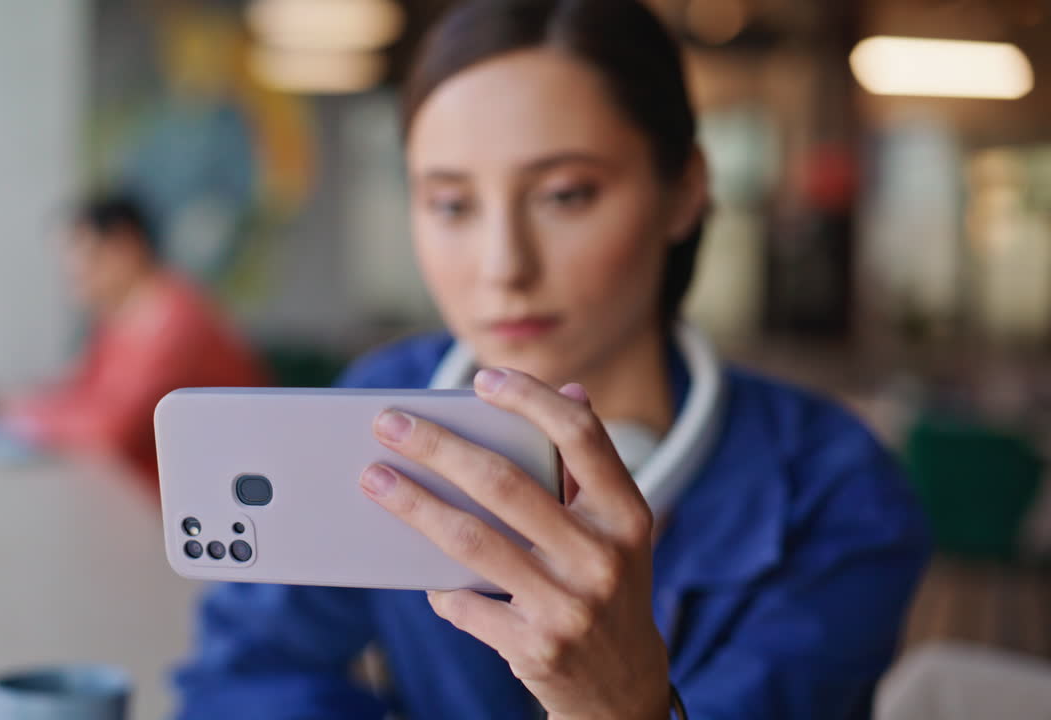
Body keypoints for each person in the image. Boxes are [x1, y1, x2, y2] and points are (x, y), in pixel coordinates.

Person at [172, 1, 930, 718]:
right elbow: (243, 674)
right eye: (451, 204)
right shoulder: (380, 404)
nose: (503, 265)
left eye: (565, 195)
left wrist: (626, 703)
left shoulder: (834, 492)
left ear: (685, 191)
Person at [0, 192, 268, 480]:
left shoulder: (177, 322)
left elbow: (114, 429)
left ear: (125, 246)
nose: (73, 272)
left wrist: (21, 419)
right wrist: (10, 407)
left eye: (85, 256)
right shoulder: (119, 319)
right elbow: (84, 394)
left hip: (194, 496)